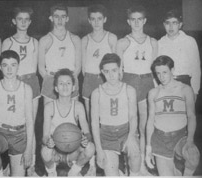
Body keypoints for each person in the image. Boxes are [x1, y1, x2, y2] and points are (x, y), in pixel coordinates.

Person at [116, 5, 158, 174]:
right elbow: (119, 72)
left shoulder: (153, 42)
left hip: (147, 82)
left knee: (143, 126)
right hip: (129, 82)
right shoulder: (123, 42)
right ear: (128, 21)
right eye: (133, 19)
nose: (136, 22)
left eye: (139, 19)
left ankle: (141, 163)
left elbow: (155, 70)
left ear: (144, 21)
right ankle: (129, 163)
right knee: (130, 127)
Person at [146, 55, 200, 176]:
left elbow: (191, 116)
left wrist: (190, 140)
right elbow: (150, 120)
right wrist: (148, 148)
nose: (161, 77)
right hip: (160, 140)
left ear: (172, 70)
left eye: (164, 72)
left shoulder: (185, 89)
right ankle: (175, 168)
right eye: (158, 73)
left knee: (193, 155)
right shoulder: (153, 93)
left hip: (180, 137)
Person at [0, 50, 34, 176]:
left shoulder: (26, 89)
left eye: (13, 65)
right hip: (1, 132)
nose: (9, 69)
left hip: (20, 135)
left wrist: (29, 150)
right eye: (5, 65)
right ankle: (0, 175)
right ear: (0, 67)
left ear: (18, 66)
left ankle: (10, 170)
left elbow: (30, 120)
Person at [1, 7, 39, 176]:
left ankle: (31, 166)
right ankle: (12, 164)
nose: (23, 22)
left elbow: (37, 66)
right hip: (13, 83)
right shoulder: (7, 42)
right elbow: (2, 67)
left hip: (31, 82)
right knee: (14, 126)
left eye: (26, 19)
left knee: (29, 124)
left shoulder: (34, 42)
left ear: (30, 22)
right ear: (14, 21)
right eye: (20, 19)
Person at [81, 4, 118, 176]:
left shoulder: (111, 38)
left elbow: (118, 65)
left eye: (99, 19)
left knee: (106, 120)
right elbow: (82, 68)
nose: (96, 22)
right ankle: (92, 164)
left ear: (105, 19)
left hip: (106, 81)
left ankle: (108, 157)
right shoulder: (85, 40)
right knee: (90, 123)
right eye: (93, 19)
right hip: (89, 80)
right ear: (89, 20)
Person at [91, 53, 141, 176]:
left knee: (135, 152)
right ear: (102, 72)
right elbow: (94, 123)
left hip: (126, 131)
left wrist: (131, 137)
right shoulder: (97, 93)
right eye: (107, 71)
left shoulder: (129, 90)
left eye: (114, 70)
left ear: (120, 69)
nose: (111, 75)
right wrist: (98, 149)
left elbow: (133, 116)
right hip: (107, 135)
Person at [41, 68, 95, 176]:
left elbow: (87, 133)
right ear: (56, 88)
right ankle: (51, 172)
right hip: (55, 150)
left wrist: (86, 139)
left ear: (73, 88)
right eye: (61, 83)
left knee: (90, 148)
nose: (65, 86)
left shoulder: (78, 106)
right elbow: (45, 136)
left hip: (73, 151)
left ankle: (74, 171)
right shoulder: (49, 107)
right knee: (45, 151)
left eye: (68, 83)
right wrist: (48, 142)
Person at [38, 4, 81, 105]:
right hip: (51, 80)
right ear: (51, 18)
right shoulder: (44, 40)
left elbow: (78, 67)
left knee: (72, 115)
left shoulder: (75, 39)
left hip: (70, 79)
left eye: (63, 17)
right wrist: (51, 80)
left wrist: (69, 80)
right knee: (50, 116)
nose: (60, 20)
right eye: (56, 17)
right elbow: (41, 68)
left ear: (67, 19)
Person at [158, 9, 201, 99]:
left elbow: (196, 68)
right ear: (163, 25)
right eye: (167, 23)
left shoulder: (189, 41)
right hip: (165, 84)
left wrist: (195, 91)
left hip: (185, 83)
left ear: (180, 25)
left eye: (174, 23)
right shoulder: (159, 43)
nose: (170, 27)